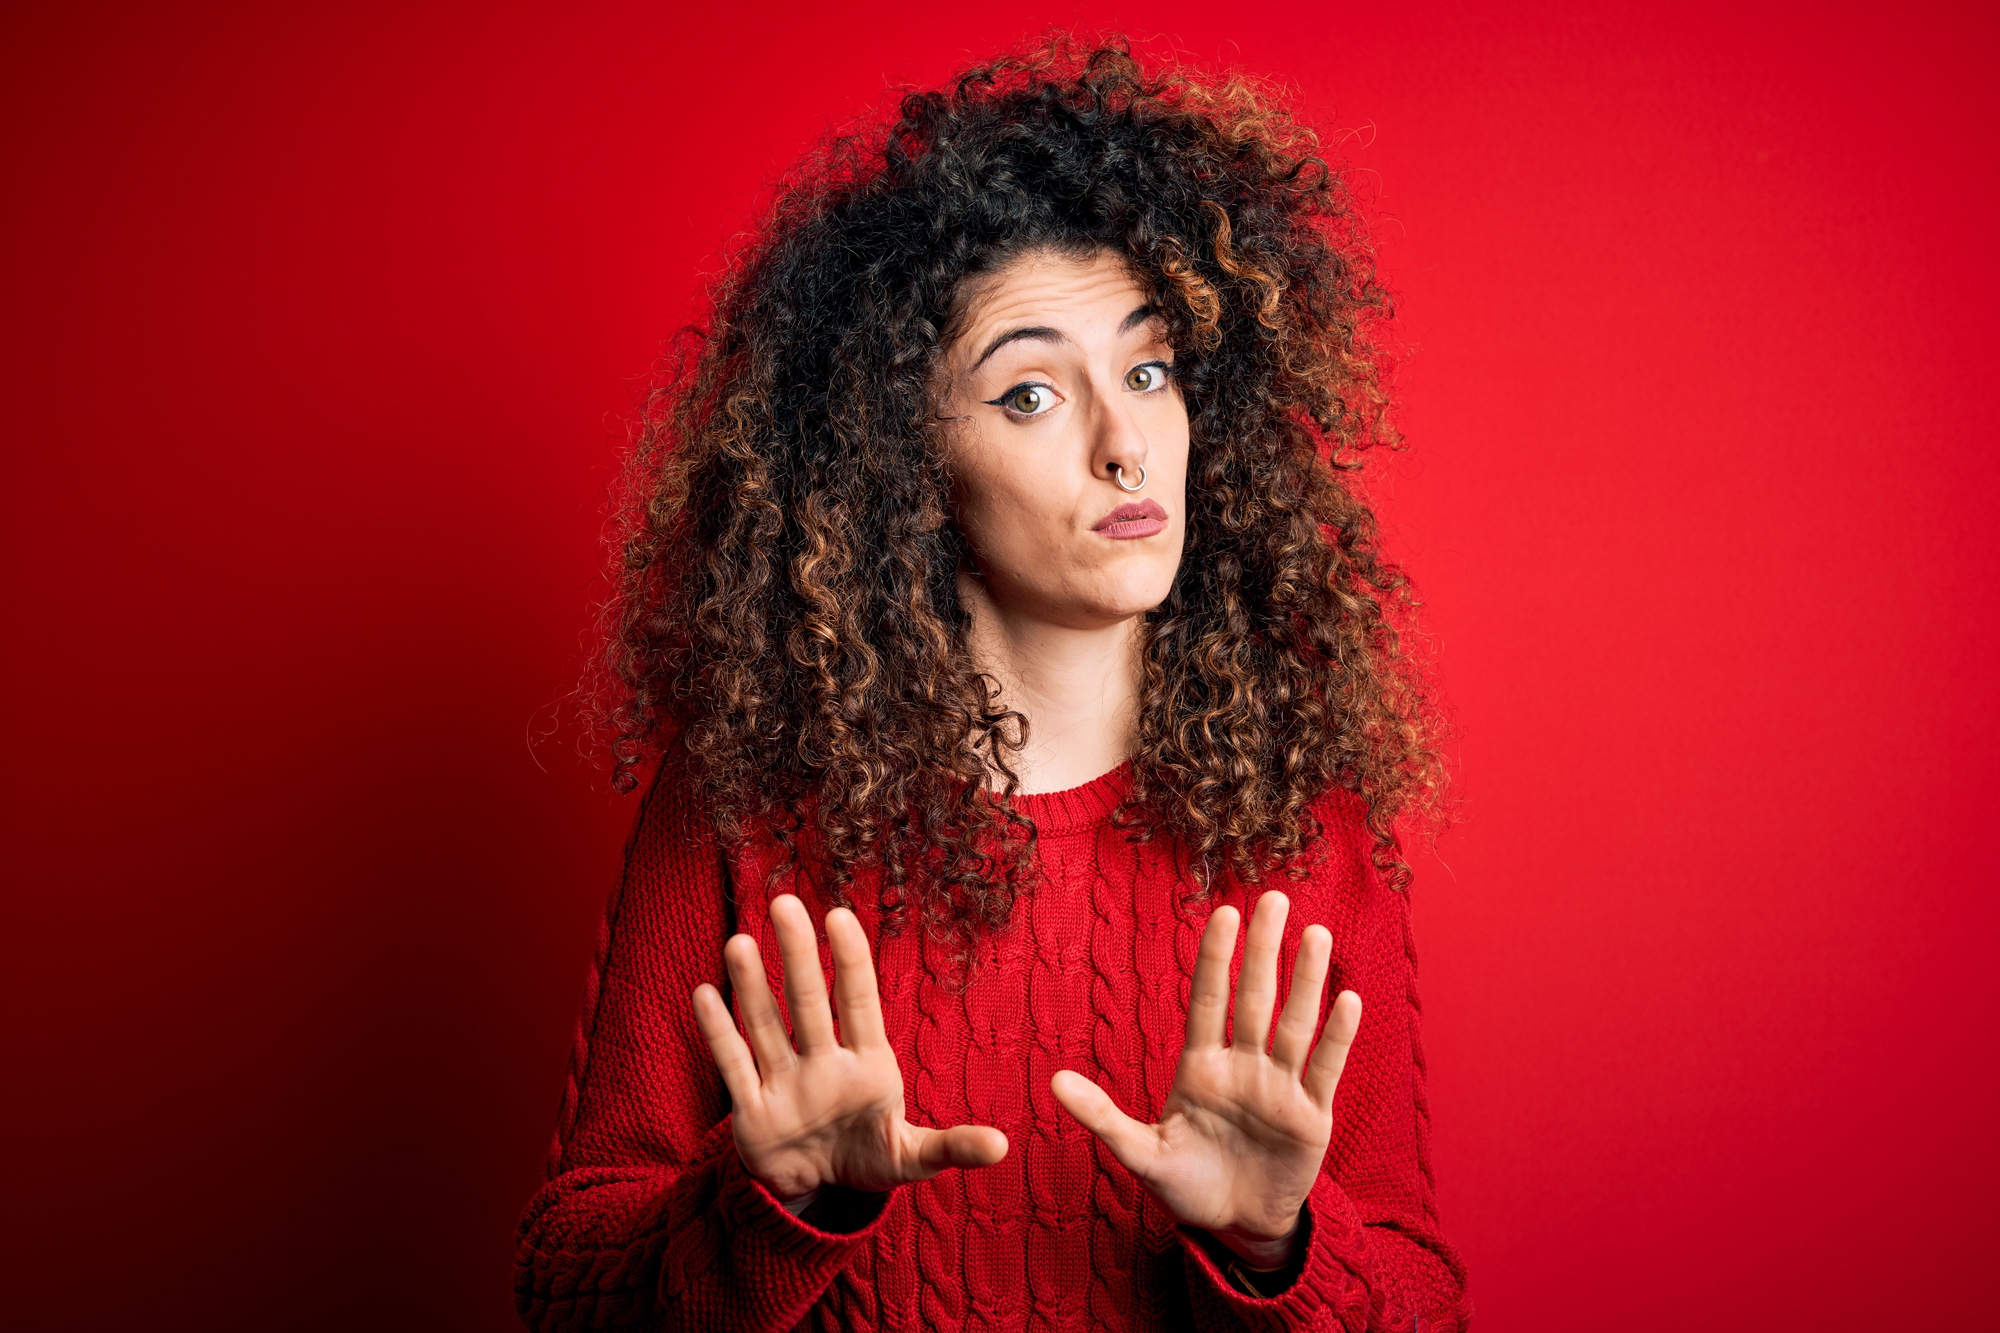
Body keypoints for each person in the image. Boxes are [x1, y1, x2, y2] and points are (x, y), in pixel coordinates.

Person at [516, 37, 1468, 1332]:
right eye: (1030, 394)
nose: (1126, 440)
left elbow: (1423, 1297)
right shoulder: (745, 802)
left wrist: (1275, 1246)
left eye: (1149, 370)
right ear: (906, 465)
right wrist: (765, 1203)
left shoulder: (1299, 812)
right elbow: (567, 1289)